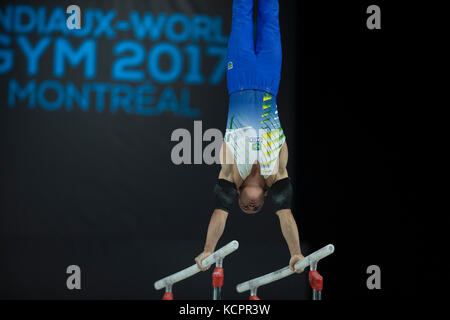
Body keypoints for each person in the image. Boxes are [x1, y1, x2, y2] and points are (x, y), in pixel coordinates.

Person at [195, 0, 304, 273]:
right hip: (269, 81)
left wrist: (208, 250)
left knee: (242, 15)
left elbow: (220, 213)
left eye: (245, 208)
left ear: (238, 195)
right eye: (256, 209)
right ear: (267, 198)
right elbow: (286, 216)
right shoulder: (277, 172)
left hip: (240, 78)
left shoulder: (231, 172)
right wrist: (296, 254)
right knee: (270, 17)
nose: (250, 206)